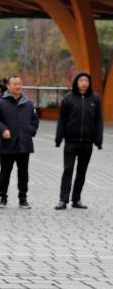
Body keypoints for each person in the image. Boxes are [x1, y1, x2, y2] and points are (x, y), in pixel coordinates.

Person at [0, 75, 38, 208]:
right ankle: (3, 198)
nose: (18, 86)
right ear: (8, 86)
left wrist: (30, 131)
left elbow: (34, 120)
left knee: (23, 173)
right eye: (15, 84)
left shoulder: (28, 103)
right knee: (5, 172)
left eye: (20, 84)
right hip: (8, 144)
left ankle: (23, 199)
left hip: (24, 144)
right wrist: (2, 130)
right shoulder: (0, 102)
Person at [54, 71, 103, 209]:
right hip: (71, 141)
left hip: (87, 143)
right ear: (76, 82)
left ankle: (76, 199)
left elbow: (99, 121)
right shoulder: (68, 98)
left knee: (81, 172)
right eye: (81, 80)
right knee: (68, 170)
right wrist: (59, 138)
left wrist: (98, 140)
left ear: (89, 83)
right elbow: (61, 120)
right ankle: (63, 200)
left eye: (86, 81)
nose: (84, 83)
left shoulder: (95, 99)